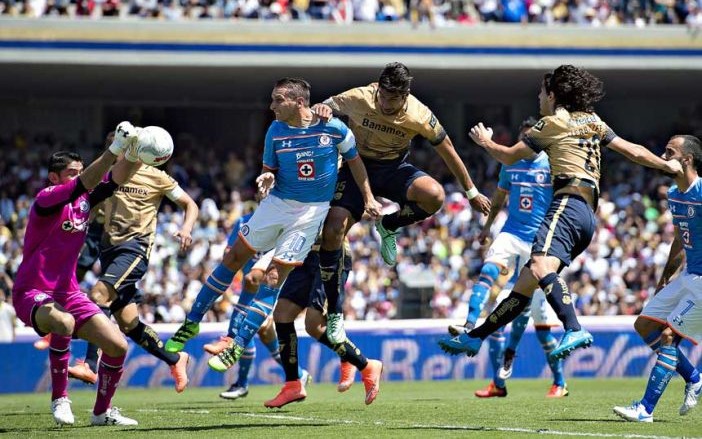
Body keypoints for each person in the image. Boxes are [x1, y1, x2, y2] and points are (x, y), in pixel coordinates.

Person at [439, 64, 682, 361]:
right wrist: (665, 165)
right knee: (524, 286)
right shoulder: (592, 121)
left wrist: (485, 141)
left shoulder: (552, 124)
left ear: (553, 94)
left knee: (540, 267)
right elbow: (633, 151)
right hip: (586, 214)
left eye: (542, 92)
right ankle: (476, 338)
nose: (539, 98)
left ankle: (573, 327)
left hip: (567, 203)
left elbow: (510, 156)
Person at [166, 77, 382, 373]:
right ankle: (190, 323)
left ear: (299, 101)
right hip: (277, 204)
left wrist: (368, 197)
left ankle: (238, 344)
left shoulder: (332, 128)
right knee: (232, 258)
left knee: (271, 278)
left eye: (278, 99)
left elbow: (355, 161)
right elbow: (270, 169)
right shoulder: (275, 131)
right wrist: (267, 177)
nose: (271, 106)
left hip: (309, 215)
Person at [312, 62, 491, 345]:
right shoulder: (358, 97)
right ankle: (335, 313)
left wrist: (471, 193)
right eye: (382, 95)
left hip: (393, 169)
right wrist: (321, 109)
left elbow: (448, 152)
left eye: (393, 99)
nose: (385, 103)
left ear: (405, 96)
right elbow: (321, 109)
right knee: (333, 230)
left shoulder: (419, 115)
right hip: (355, 167)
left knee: (435, 196)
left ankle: (389, 223)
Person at [11, 122, 144, 426]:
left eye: (78, 171)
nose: (78, 177)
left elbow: (113, 180)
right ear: (54, 177)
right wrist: (113, 151)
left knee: (117, 346)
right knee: (63, 321)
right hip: (31, 291)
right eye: (72, 173)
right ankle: (60, 399)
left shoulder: (84, 201)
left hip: (68, 292)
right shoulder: (47, 198)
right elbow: (86, 182)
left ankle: (101, 413)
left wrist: (138, 151)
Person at [66, 126, 197, 392]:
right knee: (128, 323)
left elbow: (190, 204)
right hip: (109, 250)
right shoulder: (108, 176)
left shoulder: (156, 176)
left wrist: (186, 228)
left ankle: (90, 364)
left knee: (98, 295)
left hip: (135, 250)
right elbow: (89, 208)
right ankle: (175, 358)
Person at [447, 117, 567, 398]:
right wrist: (487, 228)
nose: (528, 145)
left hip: (541, 244)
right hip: (511, 233)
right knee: (490, 273)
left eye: (532, 140)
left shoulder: (551, 166)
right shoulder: (510, 164)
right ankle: (470, 325)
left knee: (540, 326)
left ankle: (559, 382)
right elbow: (499, 199)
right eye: (525, 140)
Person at [614, 135, 702, 422]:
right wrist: (666, 277)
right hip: (688, 275)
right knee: (644, 325)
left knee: (668, 337)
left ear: (686, 159)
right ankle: (693, 376)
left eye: (669, 152)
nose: (663, 156)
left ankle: (645, 409)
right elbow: (680, 239)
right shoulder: (674, 194)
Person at [203, 212, 310, 400]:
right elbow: (229, 253)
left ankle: (242, 381)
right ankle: (299, 375)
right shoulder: (244, 221)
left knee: (249, 328)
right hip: (249, 287)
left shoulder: (285, 217)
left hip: (271, 287)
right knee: (266, 336)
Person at [266, 239, 382, 408]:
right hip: (304, 254)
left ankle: (366, 365)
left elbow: (348, 215)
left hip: (331, 252)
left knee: (314, 325)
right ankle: (292, 385)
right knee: (282, 314)